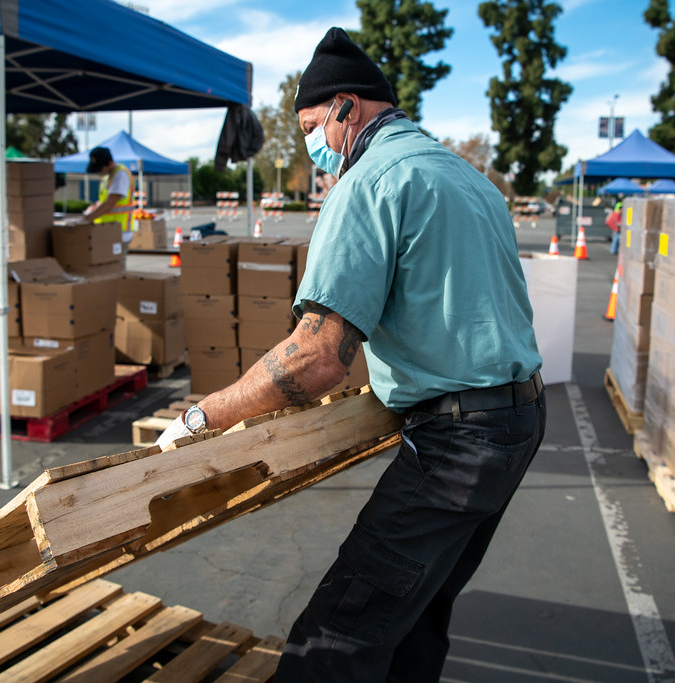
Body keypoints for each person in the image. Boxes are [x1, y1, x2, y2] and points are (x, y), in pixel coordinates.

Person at [155, 27, 546, 682]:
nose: (315, 145)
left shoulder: (369, 183)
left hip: (457, 445)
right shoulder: (466, 178)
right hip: (520, 420)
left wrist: (204, 416)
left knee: (338, 630)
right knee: (418, 607)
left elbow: (318, 357)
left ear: (347, 107)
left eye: (313, 126)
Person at [80, 147, 137, 241]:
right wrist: (95, 207)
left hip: (119, 230)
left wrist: (87, 219)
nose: (98, 172)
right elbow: (105, 200)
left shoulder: (120, 174)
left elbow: (110, 202)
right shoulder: (109, 177)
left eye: (100, 168)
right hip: (108, 228)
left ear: (110, 164)